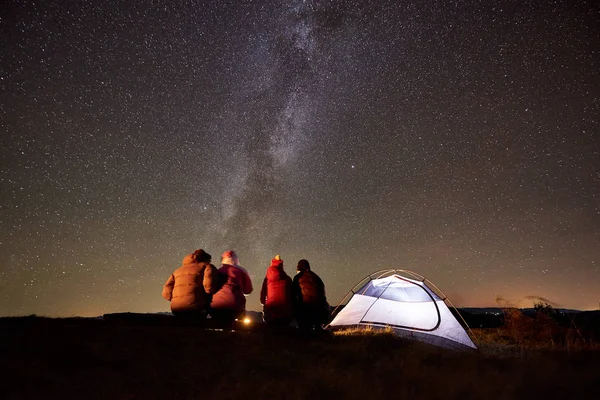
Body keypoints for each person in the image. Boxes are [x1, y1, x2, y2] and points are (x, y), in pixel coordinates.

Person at [162, 249, 218, 319]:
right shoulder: (207, 266)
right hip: (196, 308)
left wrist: (176, 299)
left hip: (176, 309)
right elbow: (209, 287)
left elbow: (166, 292)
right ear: (205, 258)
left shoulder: (177, 271)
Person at [210, 250, 253, 323]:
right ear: (236, 259)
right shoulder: (242, 271)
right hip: (235, 307)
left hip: (216, 308)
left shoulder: (217, 271)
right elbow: (248, 290)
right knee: (241, 316)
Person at [292, 259, 330, 332]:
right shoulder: (316, 277)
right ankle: (317, 327)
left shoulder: (298, 278)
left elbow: (293, 294)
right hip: (321, 310)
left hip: (306, 310)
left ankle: (304, 328)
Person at [260, 255, 294, 326]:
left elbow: (262, 296)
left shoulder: (267, 279)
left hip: (271, 314)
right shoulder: (288, 279)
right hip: (286, 314)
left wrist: (264, 304)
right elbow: (292, 296)